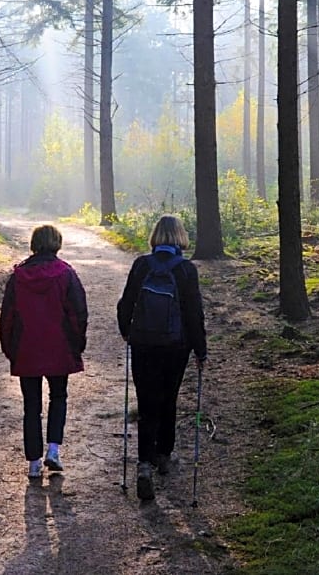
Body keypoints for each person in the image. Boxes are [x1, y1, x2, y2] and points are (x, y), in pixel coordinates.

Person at [116, 214, 206, 501]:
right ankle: (164, 455)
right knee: (169, 399)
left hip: (143, 343)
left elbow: (126, 303)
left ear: (155, 237)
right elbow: (194, 313)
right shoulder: (186, 270)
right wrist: (200, 349)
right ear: (180, 238)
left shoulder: (142, 265)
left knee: (146, 403)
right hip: (175, 346)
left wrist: (127, 332)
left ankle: (143, 464)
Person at [0, 224, 88, 479]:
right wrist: (77, 344)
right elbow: (78, 313)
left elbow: (7, 318)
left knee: (31, 406)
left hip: (26, 349)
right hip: (59, 348)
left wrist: (10, 349)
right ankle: (53, 449)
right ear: (57, 243)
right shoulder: (66, 274)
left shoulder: (19, 276)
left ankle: (34, 463)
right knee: (59, 397)